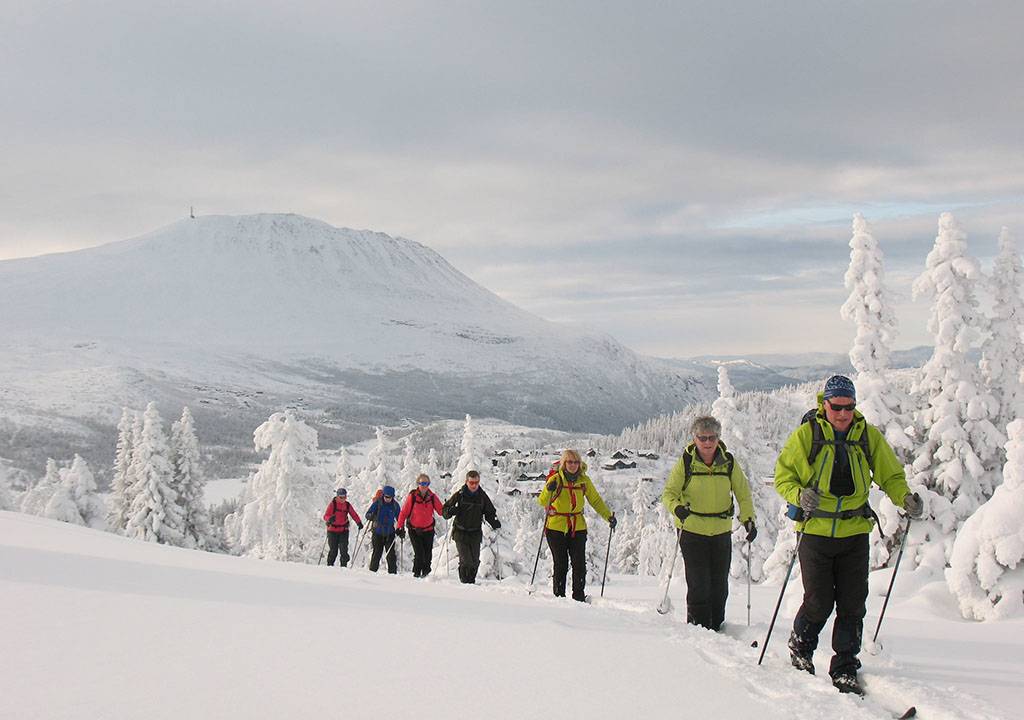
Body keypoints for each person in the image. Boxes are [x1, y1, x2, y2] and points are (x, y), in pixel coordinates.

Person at [775, 374, 923, 695]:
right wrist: (799, 495)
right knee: (819, 601)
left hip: (855, 532)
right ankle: (801, 647)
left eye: (849, 407)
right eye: (837, 407)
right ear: (824, 405)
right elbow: (782, 477)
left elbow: (890, 474)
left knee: (853, 604)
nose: (843, 414)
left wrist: (904, 497)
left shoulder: (866, 436)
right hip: (815, 533)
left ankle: (844, 667)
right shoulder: (807, 436)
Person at [661, 415, 756, 631]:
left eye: (711, 437)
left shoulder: (728, 462)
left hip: (721, 530)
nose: (707, 442)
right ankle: (698, 627)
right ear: (694, 439)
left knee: (719, 584)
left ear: (718, 437)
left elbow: (743, 493)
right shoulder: (686, 462)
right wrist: (676, 508)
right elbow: (669, 493)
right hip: (692, 530)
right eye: (702, 438)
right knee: (698, 582)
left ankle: (717, 625)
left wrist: (748, 519)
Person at [537, 449, 615, 602]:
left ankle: (578, 596)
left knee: (579, 563)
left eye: (576, 462)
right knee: (561, 563)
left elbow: (596, 501)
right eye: (570, 462)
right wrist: (548, 488)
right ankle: (559, 596)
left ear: (580, 464)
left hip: (577, 526)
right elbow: (542, 501)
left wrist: (608, 517)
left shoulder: (584, 481)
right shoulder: (556, 479)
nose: (573, 465)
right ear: (564, 463)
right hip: (556, 527)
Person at [441, 470, 500, 584]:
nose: (474, 485)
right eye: (471, 482)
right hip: (460, 532)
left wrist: (494, 521)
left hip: (475, 532)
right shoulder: (459, 495)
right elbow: (445, 510)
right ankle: (465, 584)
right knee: (466, 561)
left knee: (475, 562)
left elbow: (490, 511)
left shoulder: (482, 496)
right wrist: (451, 511)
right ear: (466, 482)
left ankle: (471, 582)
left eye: (476, 483)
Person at [396, 474, 444, 578]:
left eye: (426, 483)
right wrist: (399, 527)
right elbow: (404, 513)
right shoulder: (412, 497)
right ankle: (416, 574)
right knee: (419, 553)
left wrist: (448, 511)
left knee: (428, 554)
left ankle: (426, 574)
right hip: (414, 530)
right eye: (422, 483)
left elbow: (441, 511)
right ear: (418, 484)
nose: (424, 485)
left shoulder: (432, 497)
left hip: (428, 530)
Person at [322, 487, 363, 567]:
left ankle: (343, 568)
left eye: (344, 497)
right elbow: (325, 516)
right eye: (341, 497)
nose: (343, 499)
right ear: (337, 496)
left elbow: (353, 514)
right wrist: (329, 519)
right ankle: (330, 566)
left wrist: (359, 522)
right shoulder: (333, 504)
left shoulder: (347, 505)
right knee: (333, 551)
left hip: (343, 530)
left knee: (344, 550)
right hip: (332, 531)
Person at [365, 485, 401, 574]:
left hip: (390, 532)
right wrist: (371, 516)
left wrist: (400, 528)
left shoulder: (395, 505)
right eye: (386, 497)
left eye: (390, 497)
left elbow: (400, 518)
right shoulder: (378, 503)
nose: (388, 499)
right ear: (383, 495)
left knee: (391, 555)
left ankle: (393, 575)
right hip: (378, 532)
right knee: (377, 553)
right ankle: (372, 573)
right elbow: (368, 514)